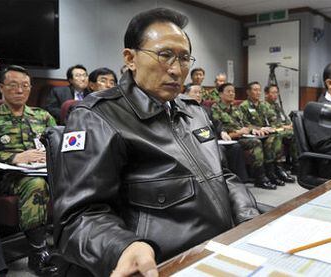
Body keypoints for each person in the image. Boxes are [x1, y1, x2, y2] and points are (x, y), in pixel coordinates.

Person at [53, 8, 259, 277]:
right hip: (163, 262)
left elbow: (224, 175)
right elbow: (77, 217)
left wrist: (249, 218)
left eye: (184, 58)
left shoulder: (194, 111)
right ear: (130, 58)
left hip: (221, 247)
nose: (176, 70)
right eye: (164, 55)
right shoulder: (98, 116)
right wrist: (123, 247)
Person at [0, 65, 57, 275]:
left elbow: (58, 145)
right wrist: (15, 157)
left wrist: (49, 156)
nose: (20, 90)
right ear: (1, 87)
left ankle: (74, 244)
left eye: (25, 86)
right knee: (35, 185)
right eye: (13, 85)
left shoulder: (43, 116)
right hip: (5, 176)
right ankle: (38, 254)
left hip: (44, 171)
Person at [211, 82, 278, 190]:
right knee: (255, 143)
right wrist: (238, 132)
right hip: (229, 138)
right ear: (220, 94)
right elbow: (218, 127)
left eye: (233, 91)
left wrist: (256, 129)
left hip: (242, 136)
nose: (232, 94)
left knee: (267, 137)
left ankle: (272, 172)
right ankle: (260, 178)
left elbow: (246, 124)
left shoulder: (235, 108)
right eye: (228, 91)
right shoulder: (216, 108)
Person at [185, 84, 249, 182]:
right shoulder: (183, 110)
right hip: (196, 141)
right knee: (220, 150)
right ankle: (222, 181)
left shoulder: (205, 109)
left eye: (200, 93)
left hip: (212, 139)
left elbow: (216, 123)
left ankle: (240, 180)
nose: (198, 95)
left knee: (236, 147)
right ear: (185, 94)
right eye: (195, 92)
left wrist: (222, 132)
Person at [240, 82, 294, 184]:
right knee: (267, 140)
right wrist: (259, 128)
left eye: (259, 90)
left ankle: (276, 169)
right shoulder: (244, 106)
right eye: (255, 90)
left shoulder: (264, 105)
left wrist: (271, 128)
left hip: (267, 133)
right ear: (248, 92)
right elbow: (244, 124)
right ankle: (267, 173)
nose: (258, 92)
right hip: (254, 134)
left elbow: (273, 119)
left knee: (276, 136)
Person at [264, 84, 299, 174]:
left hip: (282, 129)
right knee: (281, 135)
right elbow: (273, 123)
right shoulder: (264, 105)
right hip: (273, 130)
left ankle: (296, 164)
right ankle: (279, 167)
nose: (276, 95)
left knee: (297, 133)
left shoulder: (276, 105)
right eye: (273, 92)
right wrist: (285, 127)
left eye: (277, 92)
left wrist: (290, 124)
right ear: (266, 94)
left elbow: (285, 118)